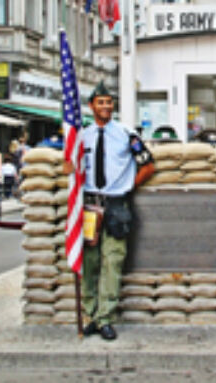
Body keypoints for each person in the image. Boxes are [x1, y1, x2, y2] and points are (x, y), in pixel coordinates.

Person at [64, 81, 155, 341]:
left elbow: (148, 165)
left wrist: (127, 187)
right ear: (91, 106)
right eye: (100, 102)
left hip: (116, 205)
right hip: (90, 205)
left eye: (109, 102)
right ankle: (91, 314)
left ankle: (106, 318)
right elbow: (69, 167)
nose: (105, 106)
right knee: (91, 263)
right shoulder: (83, 135)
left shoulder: (126, 134)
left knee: (112, 262)